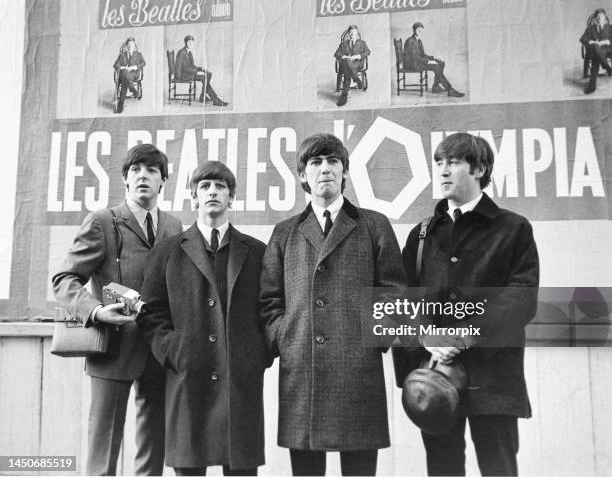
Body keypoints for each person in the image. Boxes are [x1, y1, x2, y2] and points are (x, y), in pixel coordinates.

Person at [259, 133, 406, 476]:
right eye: (315, 162)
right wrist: (287, 337)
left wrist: (370, 341)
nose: (325, 169)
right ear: (302, 176)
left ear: (345, 171)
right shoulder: (285, 232)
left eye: (333, 161)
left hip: (358, 373)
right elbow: (268, 301)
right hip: (302, 371)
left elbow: (395, 291)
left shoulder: (374, 225)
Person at [394, 133, 539, 476]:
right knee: (443, 469)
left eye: (454, 162)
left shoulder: (513, 228)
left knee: (499, 469)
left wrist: (461, 336)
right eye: (439, 163)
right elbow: (400, 299)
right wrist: (426, 338)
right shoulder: (422, 234)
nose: (443, 171)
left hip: (495, 381)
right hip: (436, 381)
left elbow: (522, 298)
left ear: (480, 168)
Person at [52, 144, 183, 475]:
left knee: (154, 449)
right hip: (112, 347)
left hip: (158, 351)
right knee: (103, 453)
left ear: (163, 180)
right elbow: (64, 279)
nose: (143, 176)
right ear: (125, 179)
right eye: (136, 169)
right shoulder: (102, 222)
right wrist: (96, 312)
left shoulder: (173, 226)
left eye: (152, 170)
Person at [138, 161, 267, 475]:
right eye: (205, 187)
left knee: (241, 470)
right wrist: (174, 351)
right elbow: (150, 313)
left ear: (231, 198)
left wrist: (258, 354)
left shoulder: (256, 251)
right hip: (187, 382)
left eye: (220, 186)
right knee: (189, 469)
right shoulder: (167, 252)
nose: (212, 192)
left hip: (240, 384)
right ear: (194, 198)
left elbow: (270, 309)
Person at [404, 22, 465, 98]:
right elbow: (413, 57)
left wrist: (434, 58)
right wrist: (428, 61)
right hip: (412, 64)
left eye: (421, 30)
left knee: (441, 63)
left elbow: (423, 55)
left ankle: (436, 86)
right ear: (414, 30)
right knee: (435, 67)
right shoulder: (410, 41)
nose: (420, 32)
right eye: (418, 30)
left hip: (418, 61)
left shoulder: (419, 41)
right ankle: (450, 90)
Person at [175, 34, 229, 106]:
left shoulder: (189, 52)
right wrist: (197, 72)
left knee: (208, 74)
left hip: (189, 72)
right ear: (185, 43)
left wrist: (200, 69)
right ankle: (212, 99)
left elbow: (191, 66)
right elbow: (185, 68)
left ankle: (203, 96)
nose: (191, 44)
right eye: (189, 42)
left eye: (192, 42)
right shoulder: (182, 52)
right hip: (183, 75)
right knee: (204, 77)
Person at [334, 25, 370, 107]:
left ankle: (343, 98)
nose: (351, 35)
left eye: (353, 33)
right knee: (347, 61)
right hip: (347, 65)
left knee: (347, 71)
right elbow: (336, 54)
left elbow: (368, 52)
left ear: (357, 34)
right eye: (350, 33)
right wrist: (344, 56)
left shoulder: (362, 43)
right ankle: (357, 80)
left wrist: (358, 56)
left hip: (357, 64)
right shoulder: (343, 44)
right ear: (348, 34)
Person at [581, 8, 612, 94]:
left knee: (595, 54)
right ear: (595, 19)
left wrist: (606, 41)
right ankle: (607, 67)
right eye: (597, 17)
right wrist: (592, 42)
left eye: (601, 16)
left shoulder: (610, 27)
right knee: (595, 48)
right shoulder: (590, 29)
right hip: (596, 52)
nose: (599, 19)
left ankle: (592, 86)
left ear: (605, 17)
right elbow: (583, 39)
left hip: (607, 50)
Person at [113, 37, 146, 113]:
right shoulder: (122, 55)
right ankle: (133, 89)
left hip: (134, 74)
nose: (130, 47)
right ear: (126, 46)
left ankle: (120, 104)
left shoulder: (138, 54)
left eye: (132, 45)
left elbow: (144, 63)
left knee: (125, 78)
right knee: (125, 72)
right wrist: (121, 67)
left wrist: (135, 67)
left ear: (134, 46)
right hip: (123, 75)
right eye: (128, 45)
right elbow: (115, 65)